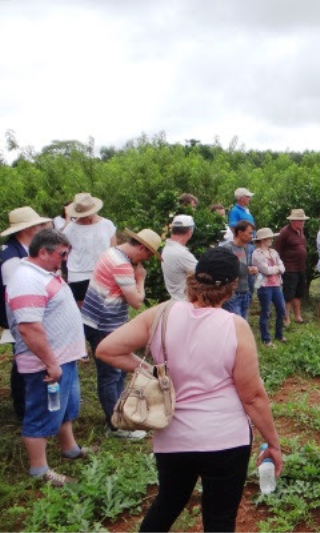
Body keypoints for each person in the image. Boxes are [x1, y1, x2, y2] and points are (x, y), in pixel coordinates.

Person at [96, 247, 283, 532]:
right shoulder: (235, 326)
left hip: (172, 435)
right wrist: (273, 443)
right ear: (232, 287)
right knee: (219, 518)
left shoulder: (162, 313)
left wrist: (152, 373)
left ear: (194, 278)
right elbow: (253, 396)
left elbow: (107, 349)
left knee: (168, 502)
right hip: (225, 439)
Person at [7, 230, 95, 486]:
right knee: (42, 413)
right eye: (62, 254)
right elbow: (28, 328)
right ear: (43, 252)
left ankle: (70, 449)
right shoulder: (26, 279)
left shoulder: (44, 274)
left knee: (64, 409)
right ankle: (39, 470)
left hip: (62, 358)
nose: (65, 259)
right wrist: (51, 363)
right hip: (44, 364)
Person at [81, 228, 162, 439]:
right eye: (148, 255)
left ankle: (120, 414)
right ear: (142, 247)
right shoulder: (122, 265)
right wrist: (140, 279)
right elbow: (136, 302)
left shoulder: (111, 252)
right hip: (103, 325)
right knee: (110, 374)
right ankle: (116, 425)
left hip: (97, 320)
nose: (146, 260)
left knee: (117, 371)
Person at [1, 207, 52, 421]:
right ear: (28, 229)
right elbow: (16, 292)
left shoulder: (21, 249)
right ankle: (23, 407)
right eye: (39, 226)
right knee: (23, 357)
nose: (42, 229)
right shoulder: (12, 257)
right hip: (19, 316)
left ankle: (27, 402)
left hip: (24, 314)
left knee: (25, 357)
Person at [63, 193, 117, 305]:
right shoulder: (70, 229)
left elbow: (113, 250)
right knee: (81, 311)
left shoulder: (107, 225)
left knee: (103, 308)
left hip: (103, 272)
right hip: (78, 274)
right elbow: (64, 251)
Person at [274, 209, 310, 326]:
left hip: (300, 267)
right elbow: (277, 250)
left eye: (303, 221)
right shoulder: (284, 232)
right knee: (288, 294)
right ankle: (286, 317)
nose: (302, 223)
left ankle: (298, 315)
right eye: (300, 221)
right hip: (289, 268)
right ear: (293, 221)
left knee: (298, 293)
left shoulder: (300, 230)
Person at [252, 228, 286, 346]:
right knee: (265, 312)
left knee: (281, 310)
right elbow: (266, 270)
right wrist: (276, 268)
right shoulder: (256, 253)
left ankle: (279, 334)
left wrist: (276, 269)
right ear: (262, 240)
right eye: (268, 238)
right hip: (264, 286)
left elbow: (282, 267)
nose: (271, 239)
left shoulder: (273, 252)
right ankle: (266, 338)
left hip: (276, 285)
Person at [219, 221, 256, 319]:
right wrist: (245, 269)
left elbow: (244, 266)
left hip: (245, 291)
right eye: (250, 233)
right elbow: (221, 269)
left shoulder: (245, 248)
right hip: (232, 294)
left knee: (243, 324)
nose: (251, 236)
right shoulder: (227, 248)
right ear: (240, 233)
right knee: (236, 325)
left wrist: (251, 269)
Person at [161, 215, 198, 301]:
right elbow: (204, 273)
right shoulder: (181, 253)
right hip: (184, 302)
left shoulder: (167, 248)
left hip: (175, 299)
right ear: (189, 232)